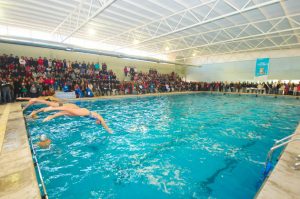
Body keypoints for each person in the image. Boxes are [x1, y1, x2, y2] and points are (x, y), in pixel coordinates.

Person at [43, 106, 113, 134]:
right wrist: (109, 130)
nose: (96, 122)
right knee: (68, 109)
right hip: (85, 112)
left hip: (83, 113)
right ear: (99, 121)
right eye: (98, 122)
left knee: (66, 113)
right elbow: (104, 124)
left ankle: (51, 116)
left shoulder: (97, 118)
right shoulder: (100, 118)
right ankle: (52, 108)